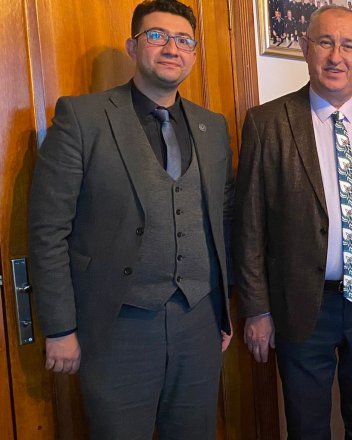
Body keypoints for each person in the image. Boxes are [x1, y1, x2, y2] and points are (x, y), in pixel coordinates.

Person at [28, 0, 234, 438]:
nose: (171, 48)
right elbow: (48, 230)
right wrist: (60, 327)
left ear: (193, 53)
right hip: (117, 326)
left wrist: (225, 311)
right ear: (132, 46)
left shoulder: (212, 127)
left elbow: (224, 219)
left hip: (198, 322)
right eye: (157, 36)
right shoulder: (82, 118)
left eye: (184, 40)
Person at [233, 5, 352, 439]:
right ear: (305, 49)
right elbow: (249, 227)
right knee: (307, 427)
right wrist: (257, 308)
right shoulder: (267, 123)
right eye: (325, 42)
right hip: (302, 304)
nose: (336, 56)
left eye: (348, 46)